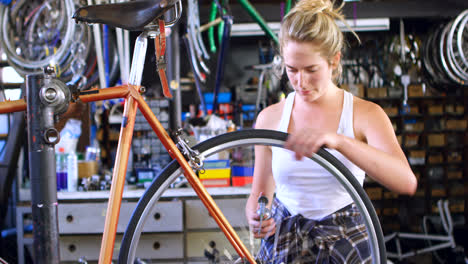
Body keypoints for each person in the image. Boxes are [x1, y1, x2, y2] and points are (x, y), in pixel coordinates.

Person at [245, 0, 418, 263]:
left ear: (334, 60)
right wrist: (257, 216)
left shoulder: (365, 114)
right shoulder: (270, 118)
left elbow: (406, 182)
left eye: (311, 70)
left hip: (346, 243)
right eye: (292, 70)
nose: (300, 82)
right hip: (285, 242)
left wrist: (339, 141)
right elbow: (261, 192)